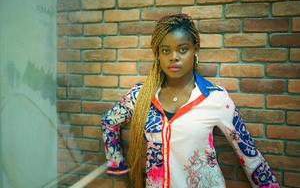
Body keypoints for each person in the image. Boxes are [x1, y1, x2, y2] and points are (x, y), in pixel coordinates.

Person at [101, 14, 279, 188]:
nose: (174, 56)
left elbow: (250, 157)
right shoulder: (140, 96)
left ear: (195, 50)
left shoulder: (215, 98)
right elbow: (109, 123)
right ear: (158, 55)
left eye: (183, 49)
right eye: (165, 50)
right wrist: (118, 171)